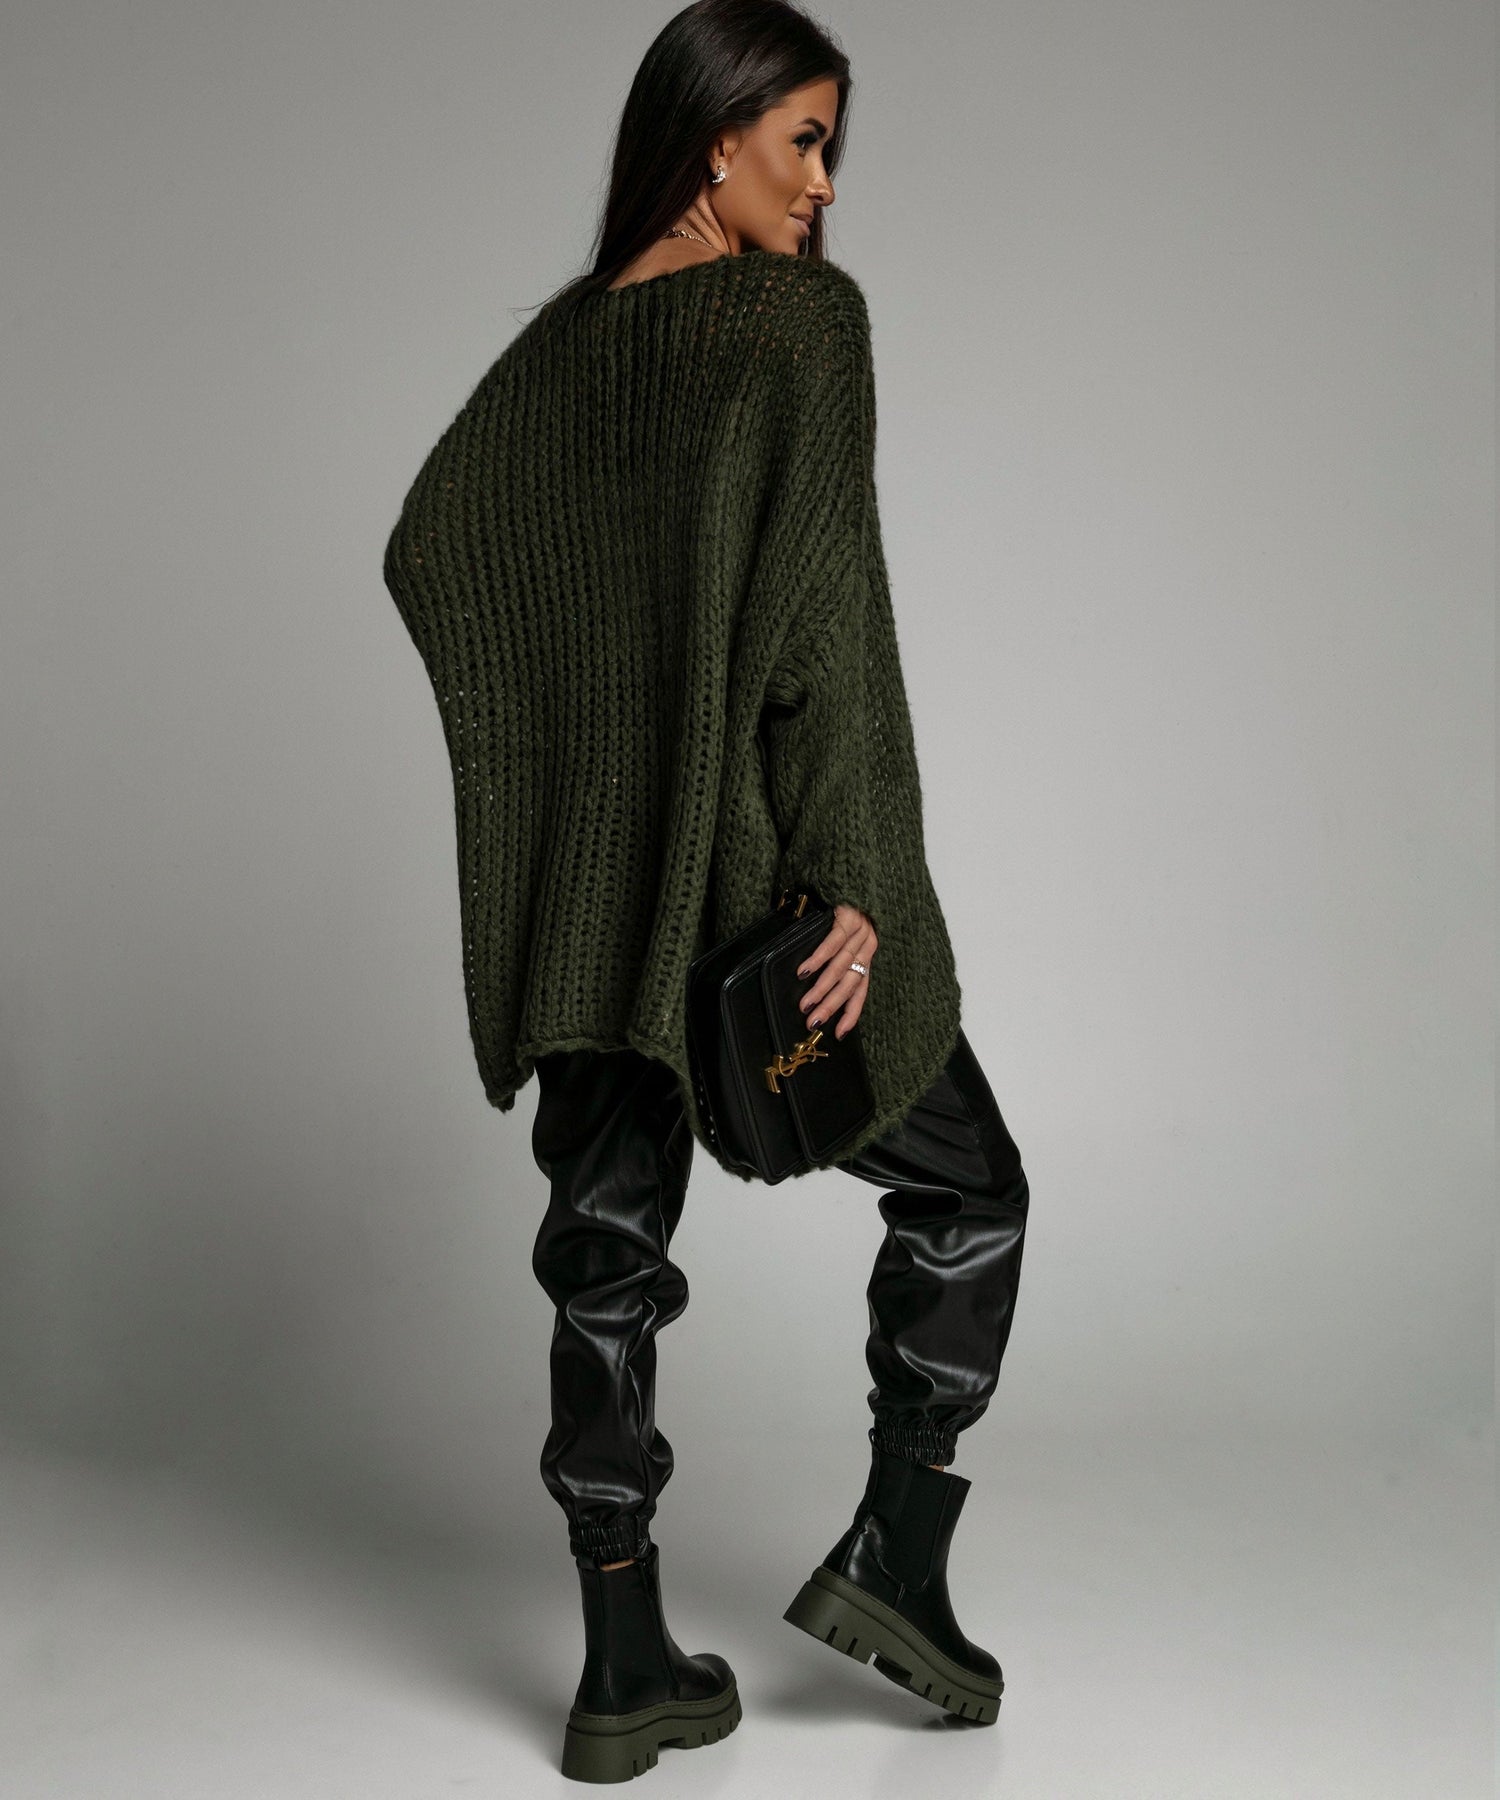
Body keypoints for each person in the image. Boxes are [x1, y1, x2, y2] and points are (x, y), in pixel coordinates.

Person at [383, 0, 1031, 1782]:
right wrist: (852, 878)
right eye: (804, 139)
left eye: (831, 148)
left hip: (599, 911)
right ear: (717, 132)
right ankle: (896, 1560)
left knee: (605, 1256)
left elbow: (436, 550)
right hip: (751, 894)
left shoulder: (560, 353)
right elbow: (831, 640)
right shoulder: (799, 327)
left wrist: (575, 783)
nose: (823, 184)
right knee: (972, 1190)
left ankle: (621, 1669)